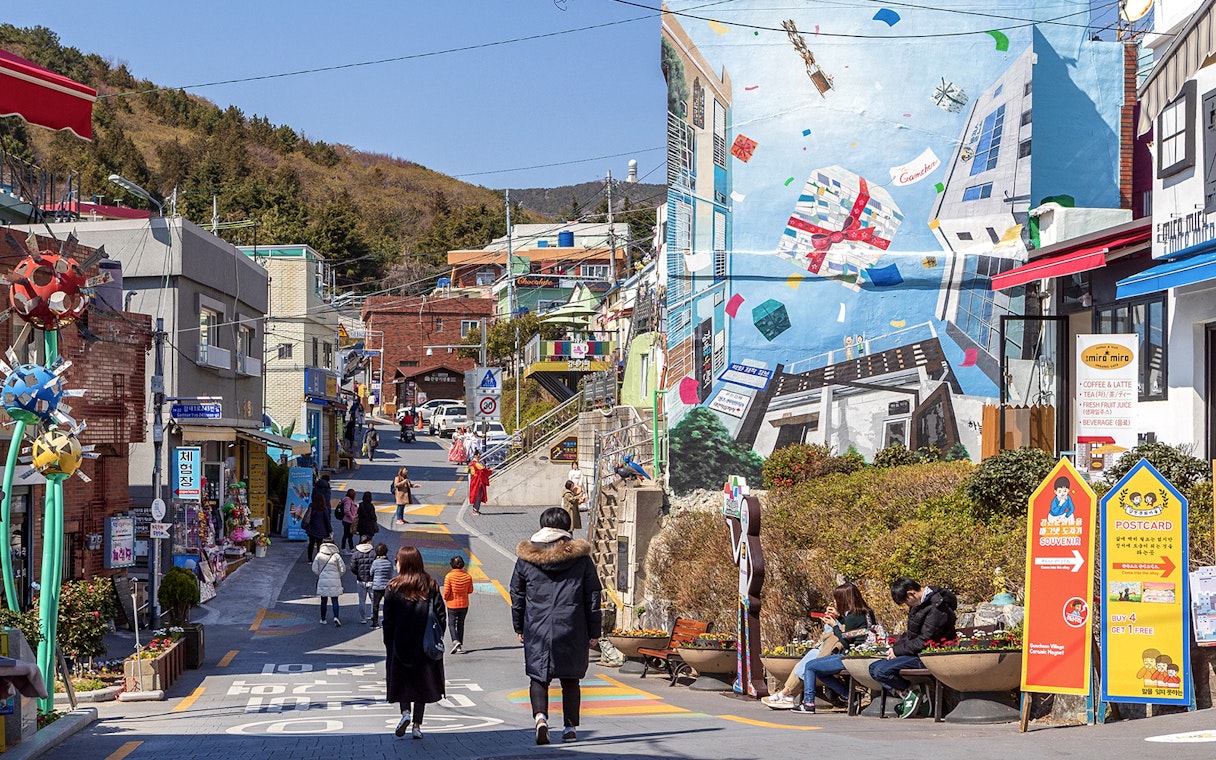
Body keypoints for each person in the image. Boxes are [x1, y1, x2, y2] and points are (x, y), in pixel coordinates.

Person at [510, 507, 602, 745]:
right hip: (572, 624)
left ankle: (541, 718)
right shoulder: (581, 558)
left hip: (537, 625)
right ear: (566, 527)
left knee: (538, 676)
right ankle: (569, 728)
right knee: (570, 678)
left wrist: (518, 626)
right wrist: (594, 632)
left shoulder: (526, 558)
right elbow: (592, 595)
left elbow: (517, 594)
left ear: (542, 526)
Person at [781, 583, 877, 714]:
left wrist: (834, 625)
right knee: (820, 671)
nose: (835, 602)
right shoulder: (867, 612)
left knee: (810, 666)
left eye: (837, 599)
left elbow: (845, 642)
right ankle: (849, 696)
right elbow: (853, 633)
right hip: (866, 653)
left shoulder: (852, 617)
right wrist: (839, 617)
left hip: (851, 657)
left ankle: (808, 703)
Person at [869, 577, 957, 718]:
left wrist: (898, 651)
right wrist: (894, 647)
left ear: (911, 594)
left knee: (881, 671)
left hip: (929, 655)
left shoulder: (937, 607)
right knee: (873, 668)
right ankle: (913, 692)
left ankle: (912, 693)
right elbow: (912, 635)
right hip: (917, 653)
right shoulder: (920, 605)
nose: (906, 605)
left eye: (905, 601)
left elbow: (925, 640)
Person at [382, 546, 446, 740]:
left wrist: (388, 642)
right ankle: (417, 725)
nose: (396, 564)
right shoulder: (430, 584)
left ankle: (405, 714)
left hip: (400, 642)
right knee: (421, 684)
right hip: (424, 644)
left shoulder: (393, 587)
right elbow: (440, 615)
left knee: (403, 681)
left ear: (404, 562)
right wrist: (436, 635)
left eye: (397, 560)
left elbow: (387, 620)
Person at [311, 536, 347, 626]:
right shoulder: (336, 555)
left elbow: (314, 569)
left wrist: (320, 574)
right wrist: (337, 575)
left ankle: (323, 619)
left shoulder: (319, 555)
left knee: (323, 600)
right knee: (335, 599)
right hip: (335, 580)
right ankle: (336, 617)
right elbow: (343, 569)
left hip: (323, 579)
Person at [442, 555, 474, 654]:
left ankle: (455, 641)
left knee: (451, 624)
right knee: (461, 624)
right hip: (464, 604)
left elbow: (446, 592)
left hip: (452, 604)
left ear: (452, 565)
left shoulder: (449, 576)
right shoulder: (467, 576)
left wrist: (445, 598)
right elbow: (470, 590)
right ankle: (459, 645)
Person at [351, 534, 376, 624]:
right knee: (374, 600)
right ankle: (373, 616)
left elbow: (353, 567)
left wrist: (358, 574)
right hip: (372, 580)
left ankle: (363, 618)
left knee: (362, 600)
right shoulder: (374, 553)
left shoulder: (356, 553)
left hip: (361, 580)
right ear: (368, 542)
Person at [303, 490, 332, 563]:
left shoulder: (311, 506)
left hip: (312, 528)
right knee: (320, 544)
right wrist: (330, 530)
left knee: (311, 543)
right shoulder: (324, 508)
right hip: (321, 529)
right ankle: (319, 559)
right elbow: (327, 521)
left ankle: (310, 559)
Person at [369, 543, 394, 628]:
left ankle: (375, 623)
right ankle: (386, 621)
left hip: (377, 586)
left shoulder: (375, 562)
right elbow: (391, 573)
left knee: (376, 605)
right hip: (387, 586)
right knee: (387, 605)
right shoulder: (389, 562)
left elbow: (371, 572)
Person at [467, 452, 491, 516]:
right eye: (478, 455)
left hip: (475, 481)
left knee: (478, 495)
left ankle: (476, 509)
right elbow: (483, 470)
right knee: (478, 496)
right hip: (477, 481)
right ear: (475, 456)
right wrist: (490, 471)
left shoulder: (473, 463)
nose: (479, 456)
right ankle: (475, 510)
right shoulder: (476, 464)